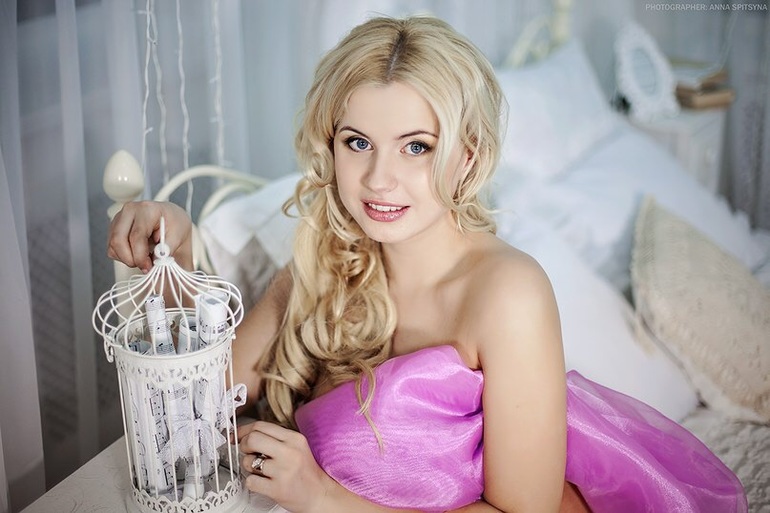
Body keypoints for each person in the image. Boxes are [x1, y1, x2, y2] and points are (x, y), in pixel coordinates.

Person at [108, 15, 747, 513]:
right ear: (330, 147)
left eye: (416, 147)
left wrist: (323, 498)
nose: (379, 180)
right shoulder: (321, 261)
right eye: (358, 142)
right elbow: (201, 404)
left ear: (467, 156)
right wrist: (177, 259)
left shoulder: (508, 296)